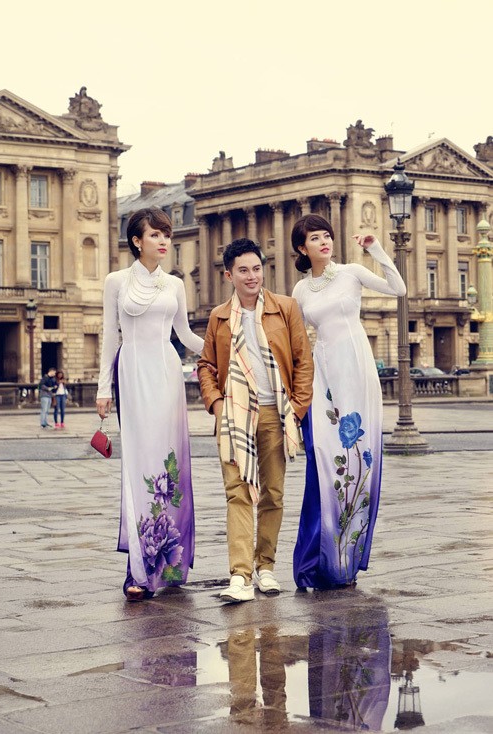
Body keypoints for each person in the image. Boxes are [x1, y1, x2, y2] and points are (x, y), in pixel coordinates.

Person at [290, 214, 406, 589]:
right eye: (315, 238)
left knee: (360, 465)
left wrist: (375, 249)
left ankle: (346, 562)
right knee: (326, 464)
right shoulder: (300, 290)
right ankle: (321, 559)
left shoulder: (352, 272)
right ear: (302, 248)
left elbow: (398, 288)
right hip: (323, 372)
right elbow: (296, 339)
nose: (324, 242)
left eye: (327, 235)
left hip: (356, 368)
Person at [96, 207, 204, 602]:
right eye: (155, 234)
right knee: (139, 466)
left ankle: (169, 563)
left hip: (166, 371)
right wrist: (102, 388)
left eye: (167, 234)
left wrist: (227, 346)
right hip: (132, 371)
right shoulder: (116, 282)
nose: (163, 240)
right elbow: (110, 335)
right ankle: (137, 568)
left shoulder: (175, 285)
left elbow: (186, 336)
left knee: (168, 466)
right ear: (137, 240)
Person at [198, 238, 314, 603]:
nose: (252, 277)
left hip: (274, 414)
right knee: (238, 493)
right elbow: (206, 366)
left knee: (273, 494)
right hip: (233, 416)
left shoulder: (286, 308)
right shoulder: (218, 316)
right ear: (229, 274)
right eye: (244, 271)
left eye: (257, 269)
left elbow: (302, 361)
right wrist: (216, 404)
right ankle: (240, 575)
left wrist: (296, 410)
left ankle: (265, 567)